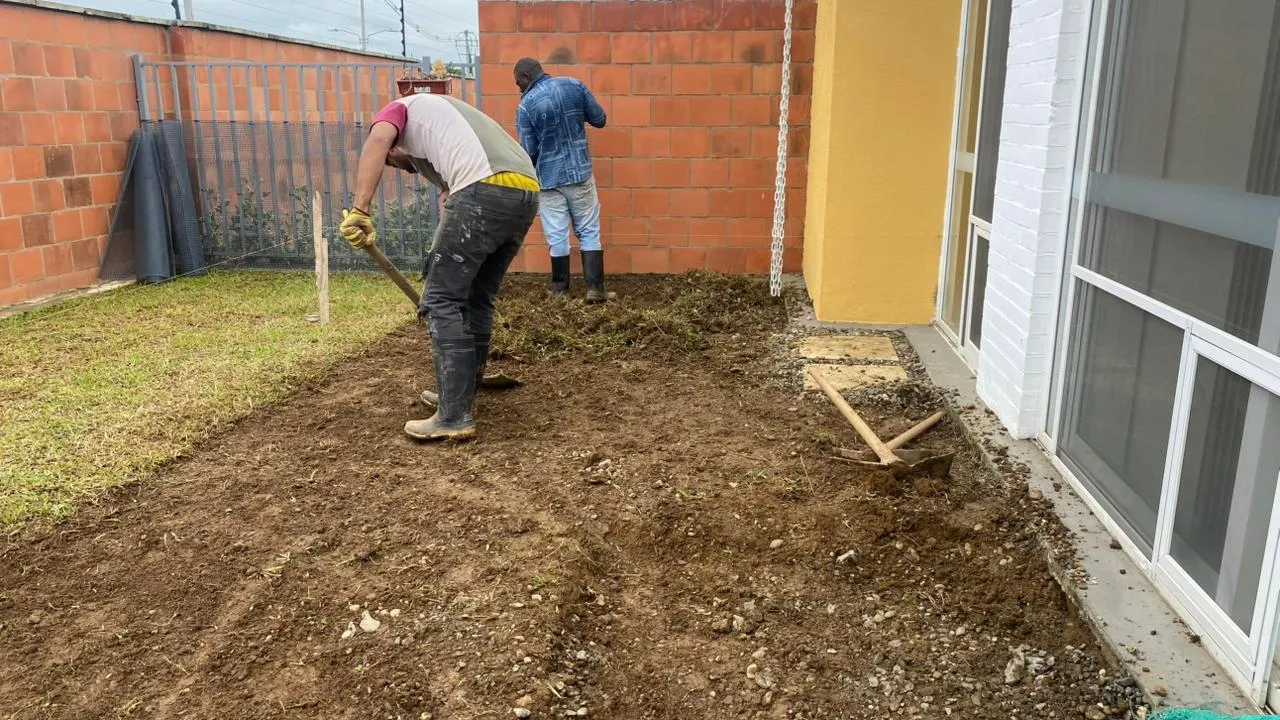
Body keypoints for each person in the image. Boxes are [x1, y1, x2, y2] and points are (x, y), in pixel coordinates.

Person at [339, 92, 539, 442]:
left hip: (484, 189)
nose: (402, 168)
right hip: (524, 191)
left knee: (441, 301)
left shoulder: (397, 111)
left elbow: (377, 140)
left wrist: (361, 209)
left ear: (396, 148)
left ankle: (454, 416)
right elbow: (453, 206)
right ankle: (462, 391)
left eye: (394, 163)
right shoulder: (450, 126)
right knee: (477, 297)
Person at [514, 58, 609, 302]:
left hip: (548, 180)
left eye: (518, 83)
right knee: (589, 230)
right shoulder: (575, 86)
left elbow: (529, 151)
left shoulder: (526, 106)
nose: (519, 88)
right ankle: (595, 289)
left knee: (556, 234)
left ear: (526, 76)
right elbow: (599, 119)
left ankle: (560, 293)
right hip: (580, 174)